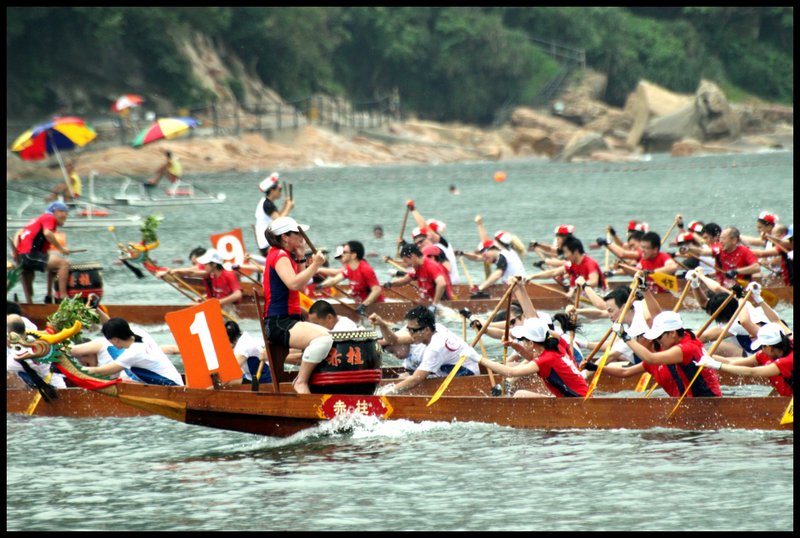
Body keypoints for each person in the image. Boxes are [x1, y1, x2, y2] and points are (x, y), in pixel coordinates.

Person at [263, 216, 331, 394]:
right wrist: (315, 265)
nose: (302, 237)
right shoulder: (279, 255)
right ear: (285, 237)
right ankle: (300, 382)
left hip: (287, 320)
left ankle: (310, 381)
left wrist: (301, 257)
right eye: (298, 234)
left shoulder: (286, 255)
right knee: (323, 339)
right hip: (279, 323)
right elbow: (293, 284)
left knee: (328, 337)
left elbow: (300, 286)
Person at [618, 311, 722, 397]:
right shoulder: (685, 336)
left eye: (659, 337)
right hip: (697, 400)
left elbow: (650, 359)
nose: (657, 341)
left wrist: (625, 336)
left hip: (708, 400)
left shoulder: (684, 349)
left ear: (673, 333)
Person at [380, 306, 480, 394]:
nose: (409, 334)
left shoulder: (435, 348)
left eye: (413, 331)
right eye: (408, 329)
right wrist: (382, 325)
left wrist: (388, 392)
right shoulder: (436, 327)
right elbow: (395, 339)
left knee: (413, 383)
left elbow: (415, 379)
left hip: (466, 378)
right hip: (452, 372)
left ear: (427, 330)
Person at [479, 317, 589, 397]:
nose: (522, 342)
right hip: (583, 396)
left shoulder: (545, 359)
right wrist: (514, 345)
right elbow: (533, 357)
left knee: (519, 394)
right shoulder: (557, 345)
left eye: (522, 340)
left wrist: (479, 358)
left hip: (577, 402)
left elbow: (510, 373)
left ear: (531, 344)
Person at [81, 318, 184, 386]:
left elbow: (103, 371)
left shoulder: (132, 353)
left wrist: (75, 369)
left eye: (110, 342)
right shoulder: (141, 334)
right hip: (175, 380)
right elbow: (114, 324)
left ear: (115, 340)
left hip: (170, 385)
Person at [699, 322, 793, 396]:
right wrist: (704, 356)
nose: (761, 350)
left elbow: (752, 372)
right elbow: (731, 363)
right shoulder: (763, 354)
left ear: (769, 347)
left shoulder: (788, 361)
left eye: (762, 347)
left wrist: (717, 365)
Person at [14, 201, 72, 304]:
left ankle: (34, 303)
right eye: (64, 212)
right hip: (30, 255)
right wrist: (61, 249)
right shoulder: (49, 217)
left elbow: (19, 232)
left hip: (24, 256)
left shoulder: (38, 220)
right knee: (64, 264)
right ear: (55, 211)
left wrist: (15, 251)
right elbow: (47, 233)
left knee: (52, 264)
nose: (66, 216)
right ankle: (63, 297)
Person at [598, 231, 678, 294]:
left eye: (645, 248)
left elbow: (673, 266)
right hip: (651, 294)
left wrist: (652, 272)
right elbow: (635, 273)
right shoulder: (643, 260)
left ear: (655, 250)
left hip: (666, 294)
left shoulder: (663, 256)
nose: (642, 250)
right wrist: (622, 267)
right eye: (642, 247)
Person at [317, 240, 384, 314]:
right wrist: (321, 286)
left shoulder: (365, 269)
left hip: (375, 306)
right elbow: (334, 280)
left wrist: (364, 305)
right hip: (360, 306)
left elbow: (377, 290)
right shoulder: (349, 269)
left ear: (353, 255)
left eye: (345, 252)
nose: (342, 255)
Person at [527, 236, 606, 295]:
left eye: (566, 252)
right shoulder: (572, 264)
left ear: (575, 251)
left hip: (599, 294)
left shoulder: (590, 263)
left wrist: (575, 289)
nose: (565, 256)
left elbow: (594, 282)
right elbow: (553, 273)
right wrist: (532, 276)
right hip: (583, 293)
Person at [692, 226, 760, 287]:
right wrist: (688, 249)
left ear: (734, 240)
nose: (720, 242)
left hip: (742, 287)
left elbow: (756, 268)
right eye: (720, 238)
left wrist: (735, 272)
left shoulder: (745, 251)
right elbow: (701, 252)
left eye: (723, 238)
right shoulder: (719, 251)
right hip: (723, 288)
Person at [385, 243, 451, 306]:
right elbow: (404, 280)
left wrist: (435, 304)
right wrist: (391, 284)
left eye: (406, 261)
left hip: (442, 304)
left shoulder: (430, 266)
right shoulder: (417, 268)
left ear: (413, 256)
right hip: (427, 303)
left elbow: (442, 284)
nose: (407, 264)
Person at [464, 232, 526, 298]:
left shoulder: (504, 256)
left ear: (491, 249)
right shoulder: (508, 252)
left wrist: (479, 288)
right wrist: (462, 253)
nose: (484, 258)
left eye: (485, 255)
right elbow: (476, 257)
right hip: (518, 285)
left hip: (518, 287)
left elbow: (497, 274)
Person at [254, 172, 294, 256]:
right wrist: (288, 207)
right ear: (272, 190)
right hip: (267, 245)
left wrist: (285, 205)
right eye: (279, 189)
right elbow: (279, 221)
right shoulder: (267, 204)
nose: (280, 192)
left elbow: (277, 216)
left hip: (266, 242)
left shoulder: (267, 202)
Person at [224, 320, 271, 385]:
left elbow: (229, 374)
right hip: (251, 377)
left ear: (228, 338)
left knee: (229, 381)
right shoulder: (243, 338)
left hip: (264, 382)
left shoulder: (242, 347)